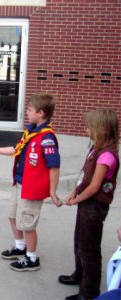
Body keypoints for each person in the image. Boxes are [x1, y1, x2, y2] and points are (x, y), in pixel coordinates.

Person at [0, 93, 62, 271]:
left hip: (32, 188)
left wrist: (53, 192)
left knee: (27, 223)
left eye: (30, 110)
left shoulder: (47, 138)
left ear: (41, 113)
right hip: (20, 183)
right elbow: (16, 150)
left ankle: (32, 259)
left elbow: (54, 166)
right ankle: (20, 247)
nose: (27, 113)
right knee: (13, 217)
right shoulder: (30, 131)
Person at [58, 108, 120, 300]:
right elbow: (85, 178)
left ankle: (89, 291)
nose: (86, 130)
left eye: (89, 127)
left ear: (102, 129)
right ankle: (80, 274)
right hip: (86, 203)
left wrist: (77, 199)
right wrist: (74, 191)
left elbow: (94, 187)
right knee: (79, 242)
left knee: (89, 248)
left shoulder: (107, 156)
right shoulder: (95, 149)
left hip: (94, 207)